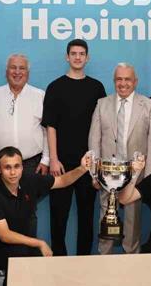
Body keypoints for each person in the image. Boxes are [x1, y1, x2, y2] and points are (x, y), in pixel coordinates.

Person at [0, 146, 91, 286]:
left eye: (17, 166)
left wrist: (82, 169)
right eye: (7, 167)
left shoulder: (30, 181)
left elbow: (62, 181)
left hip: (20, 243)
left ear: (22, 167)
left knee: (38, 264)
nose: (13, 172)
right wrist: (40, 243)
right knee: (19, 251)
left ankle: (19, 278)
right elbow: (5, 235)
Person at [88, 63, 151, 255]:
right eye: (119, 79)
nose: (123, 83)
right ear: (114, 81)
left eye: (127, 79)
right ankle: (104, 259)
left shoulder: (149, 105)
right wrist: (95, 174)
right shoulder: (102, 104)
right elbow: (94, 140)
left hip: (135, 177)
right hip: (106, 176)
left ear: (135, 82)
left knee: (132, 223)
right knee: (105, 220)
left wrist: (150, 179)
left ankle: (131, 260)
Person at [43, 39, 106, 256]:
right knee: (58, 216)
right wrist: (53, 159)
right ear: (67, 57)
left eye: (81, 54)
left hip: (88, 164)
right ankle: (58, 259)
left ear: (87, 58)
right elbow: (51, 126)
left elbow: (102, 127)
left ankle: (83, 259)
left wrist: (96, 163)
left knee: (87, 216)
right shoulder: (55, 87)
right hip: (61, 164)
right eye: (73, 53)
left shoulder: (97, 88)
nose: (77, 57)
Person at [0, 54, 49, 175]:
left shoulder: (40, 96)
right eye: (13, 67)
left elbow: (46, 131)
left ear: (28, 73)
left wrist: (46, 160)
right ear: (6, 72)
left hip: (32, 165)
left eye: (22, 68)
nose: (17, 72)